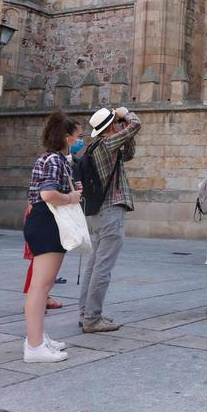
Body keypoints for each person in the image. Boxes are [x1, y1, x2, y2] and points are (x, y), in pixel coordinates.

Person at [21, 112, 84, 363]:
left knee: (42, 286)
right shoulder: (56, 160)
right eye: (78, 137)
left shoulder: (51, 158)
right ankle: (34, 346)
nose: (81, 141)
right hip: (48, 221)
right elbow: (48, 194)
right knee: (40, 288)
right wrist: (71, 198)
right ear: (67, 138)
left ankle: (37, 337)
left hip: (43, 221)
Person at [77, 105, 142, 333]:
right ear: (111, 126)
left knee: (94, 265)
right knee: (102, 268)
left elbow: (129, 154)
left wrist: (122, 127)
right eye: (116, 122)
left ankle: (85, 312)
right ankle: (92, 319)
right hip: (110, 212)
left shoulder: (94, 146)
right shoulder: (106, 143)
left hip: (96, 214)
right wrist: (126, 114)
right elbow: (137, 125)